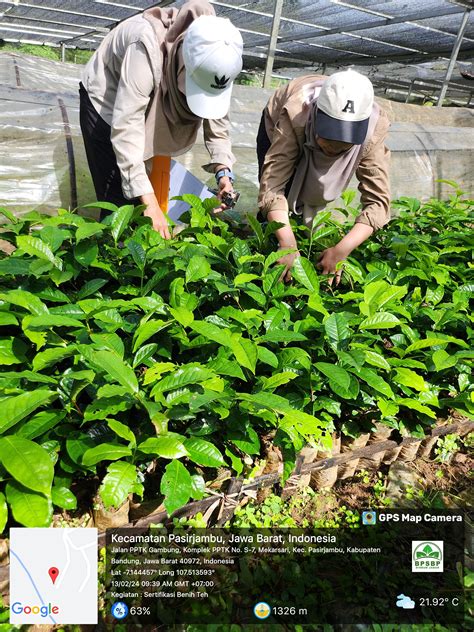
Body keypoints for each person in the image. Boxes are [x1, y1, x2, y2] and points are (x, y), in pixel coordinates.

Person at [79, 0, 243, 238]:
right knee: (118, 200)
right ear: (183, 63)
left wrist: (224, 174)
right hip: (107, 98)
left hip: (143, 93)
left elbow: (218, 125)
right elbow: (126, 127)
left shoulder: (220, 57)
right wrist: (149, 204)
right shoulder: (145, 47)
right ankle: (115, 256)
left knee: (143, 194)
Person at [257, 69, 391, 282]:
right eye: (327, 140)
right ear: (317, 117)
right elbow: (272, 185)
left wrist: (341, 251)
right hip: (279, 121)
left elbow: (378, 203)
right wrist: (287, 246)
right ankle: (270, 241)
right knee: (278, 197)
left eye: (343, 147)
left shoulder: (373, 131)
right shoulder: (296, 113)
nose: (332, 150)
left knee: (299, 207)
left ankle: (299, 234)